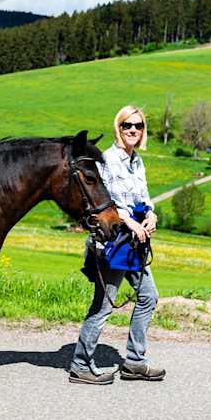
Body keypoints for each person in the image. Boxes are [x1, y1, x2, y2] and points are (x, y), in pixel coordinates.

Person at [69, 105, 166, 385]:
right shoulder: (107, 160)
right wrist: (128, 221)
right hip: (113, 243)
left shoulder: (137, 162)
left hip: (136, 244)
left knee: (148, 296)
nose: (133, 130)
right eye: (127, 125)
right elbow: (102, 203)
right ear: (118, 127)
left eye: (138, 126)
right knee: (104, 305)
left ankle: (135, 361)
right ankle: (80, 364)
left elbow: (144, 197)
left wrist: (150, 216)